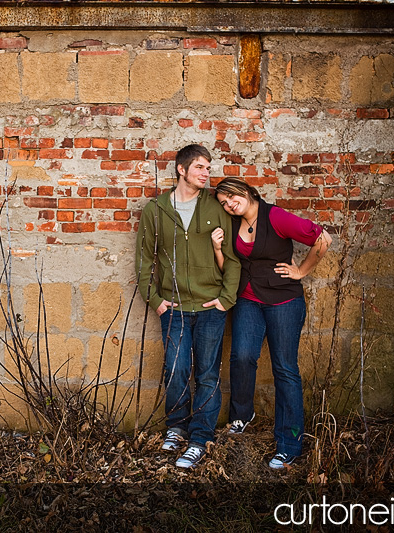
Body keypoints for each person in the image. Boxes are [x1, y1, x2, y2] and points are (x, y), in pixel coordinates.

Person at [213, 177, 332, 470]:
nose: (229, 205)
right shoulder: (232, 224)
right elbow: (229, 266)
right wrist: (217, 249)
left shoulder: (275, 216)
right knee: (241, 356)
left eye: (231, 197)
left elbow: (323, 239)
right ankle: (242, 415)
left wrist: (301, 271)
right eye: (223, 203)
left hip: (283, 301)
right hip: (249, 300)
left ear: (247, 191)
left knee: (285, 369)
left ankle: (289, 444)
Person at [135, 144, 241, 469]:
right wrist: (155, 300)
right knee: (177, 370)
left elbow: (234, 259)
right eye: (200, 168)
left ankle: (200, 438)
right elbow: (143, 261)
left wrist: (226, 299)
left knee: (207, 374)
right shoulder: (155, 211)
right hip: (175, 307)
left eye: (208, 168)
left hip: (210, 307)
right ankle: (177, 428)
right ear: (181, 169)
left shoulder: (217, 207)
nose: (206, 174)